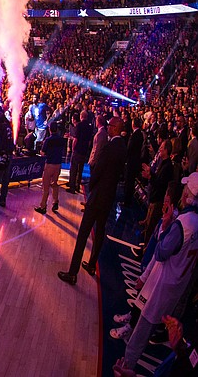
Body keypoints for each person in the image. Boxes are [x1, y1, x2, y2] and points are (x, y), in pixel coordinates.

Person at [117, 174, 198, 372]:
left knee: (141, 332)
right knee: (151, 326)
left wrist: (164, 227)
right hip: (177, 285)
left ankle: (126, 367)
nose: (182, 192)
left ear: (189, 196)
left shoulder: (183, 224)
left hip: (162, 284)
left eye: (185, 190)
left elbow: (161, 253)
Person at [58, 117, 127, 284]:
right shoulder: (123, 147)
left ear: (116, 128)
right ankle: (91, 264)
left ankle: (72, 272)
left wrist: (92, 188)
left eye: (110, 125)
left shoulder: (109, 147)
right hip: (109, 197)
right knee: (100, 230)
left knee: (83, 234)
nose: (108, 127)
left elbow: (96, 172)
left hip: (98, 196)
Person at [35, 121, 67, 214]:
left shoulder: (48, 140)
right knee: (55, 184)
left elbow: (43, 153)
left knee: (46, 187)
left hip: (49, 164)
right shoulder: (61, 139)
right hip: (58, 165)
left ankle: (43, 206)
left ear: (50, 129)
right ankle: (55, 201)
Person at [66, 110, 93, 194]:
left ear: (81, 116)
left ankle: (72, 186)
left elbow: (76, 139)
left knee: (74, 168)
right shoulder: (89, 127)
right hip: (84, 150)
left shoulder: (79, 125)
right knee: (80, 169)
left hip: (77, 150)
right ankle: (77, 185)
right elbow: (89, 141)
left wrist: (73, 149)